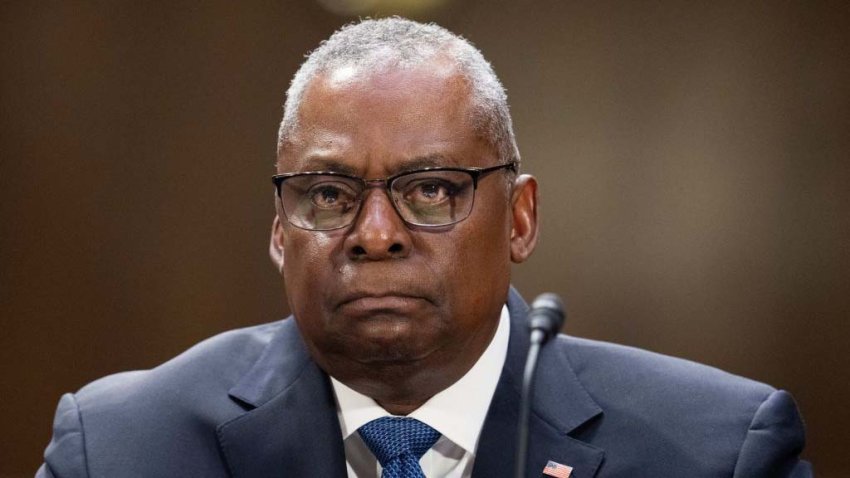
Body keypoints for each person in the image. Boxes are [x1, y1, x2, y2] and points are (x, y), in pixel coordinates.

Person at [38, 17, 811, 478]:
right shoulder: (120, 449)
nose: (375, 236)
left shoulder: (715, 453)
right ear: (280, 230)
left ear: (520, 218)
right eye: (330, 196)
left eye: (433, 190)